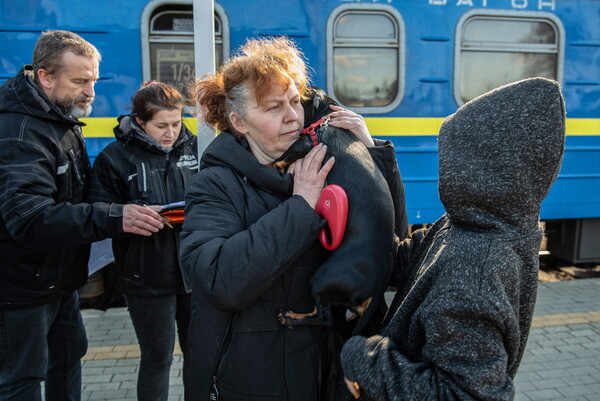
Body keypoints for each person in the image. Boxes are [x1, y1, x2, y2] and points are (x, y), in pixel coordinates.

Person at [178, 36, 408, 401]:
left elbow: (388, 247)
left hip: (326, 371)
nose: (292, 115)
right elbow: (219, 278)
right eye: (273, 108)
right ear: (239, 122)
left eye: (294, 101)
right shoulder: (214, 183)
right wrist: (301, 206)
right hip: (255, 378)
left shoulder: (320, 160)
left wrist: (371, 156)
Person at [339, 77, 566, 401]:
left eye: (452, 156)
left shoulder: (477, 269)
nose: (444, 168)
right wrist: (366, 164)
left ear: (484, 166)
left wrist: (362, 357)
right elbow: (401, 260)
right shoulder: (474, 224)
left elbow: (462, 395)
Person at [0, 30, 165, 401]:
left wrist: (128, 204)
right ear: (45, 76)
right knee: (21, 378)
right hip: (21, 287)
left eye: (93, 79)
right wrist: (114, 216)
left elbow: (76, 195)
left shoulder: (57, 115)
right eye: (80, 81)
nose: (91, 92)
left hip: (58, 280)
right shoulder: (20, 132)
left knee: (68, 356)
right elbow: (30, 218)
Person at [90, 81, 198, 401]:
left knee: (200, 356)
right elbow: (97, 213)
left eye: (177, 123)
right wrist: (129, 214)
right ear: (140, 122)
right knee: (157, 359)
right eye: (161, 125)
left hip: (193, 272)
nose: (171, 133)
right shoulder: (114, 157)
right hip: (146, 277)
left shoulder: (195, 148)